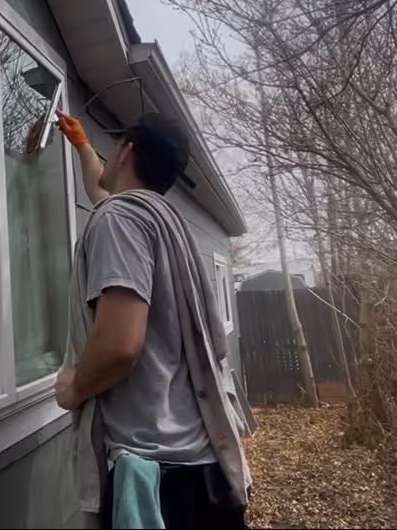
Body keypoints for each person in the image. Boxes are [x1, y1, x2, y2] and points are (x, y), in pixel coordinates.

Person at [52, 110, 249, 529]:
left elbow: (120, 346)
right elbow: (102, 194)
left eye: (111, 148)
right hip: (201, 475)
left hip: (157, 488)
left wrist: (73, 389)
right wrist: (82, 144)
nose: (104, 158)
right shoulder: (159, 220)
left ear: (126, 151)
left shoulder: (119, 220)